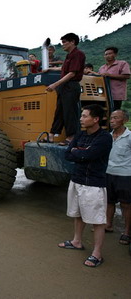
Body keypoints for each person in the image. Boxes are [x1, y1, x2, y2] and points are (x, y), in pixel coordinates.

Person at [58, 104, 112, 268]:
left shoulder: (104, 138)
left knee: (97, 220)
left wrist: (78, 152)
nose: (81, 118)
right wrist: (80, 152)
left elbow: (89, 155)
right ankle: (76, 241)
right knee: (78, 214)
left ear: (95, 119)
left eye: (85, 116)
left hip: (93, 184)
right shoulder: (80, 134)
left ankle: (97, 253)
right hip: (77, 180)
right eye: (81, 115)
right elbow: (68, 154)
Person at [46, 33, 85, 145]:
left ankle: (71, 137)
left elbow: (72, 73)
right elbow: (63, 68)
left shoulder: (78, 54)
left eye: (64, 42)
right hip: (64, 86)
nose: (62, 45)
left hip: (71, 85)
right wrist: (48, 69)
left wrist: (55, 84)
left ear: (72, 42)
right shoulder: (69, 55)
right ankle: (52, 135)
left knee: (69, 112)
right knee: (59, 111)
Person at [105, 110, 131, 245]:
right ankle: (108, 225)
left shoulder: (129, 137)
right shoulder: (108, 137)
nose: (112, 120)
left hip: (125, 176)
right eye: (111, 118)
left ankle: (127, 232)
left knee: (126, 204)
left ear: (124, 120)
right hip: (109, 173)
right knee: (109, 201)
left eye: (116, 118)